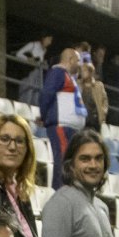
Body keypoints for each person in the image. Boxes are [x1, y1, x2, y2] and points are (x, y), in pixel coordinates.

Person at [40, 48, 86, 190]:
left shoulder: (68, 76)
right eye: (78, 60)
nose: (79, 64)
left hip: (70, 127)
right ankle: (60, 191)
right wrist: (44, 116)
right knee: (63, 159)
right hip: (61, 125)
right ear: (70, 59)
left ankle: (67, 190)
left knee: (69, 160)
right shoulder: (58, 73)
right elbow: (47, 94)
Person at [78, 62, 107, 131]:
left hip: (95, 120)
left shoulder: (99, 86)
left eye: (84, 70)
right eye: (81, 71)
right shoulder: (78, 84)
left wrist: (103, 114)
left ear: (91, 72)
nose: (82, 73)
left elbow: (104, 101)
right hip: (81, 119)